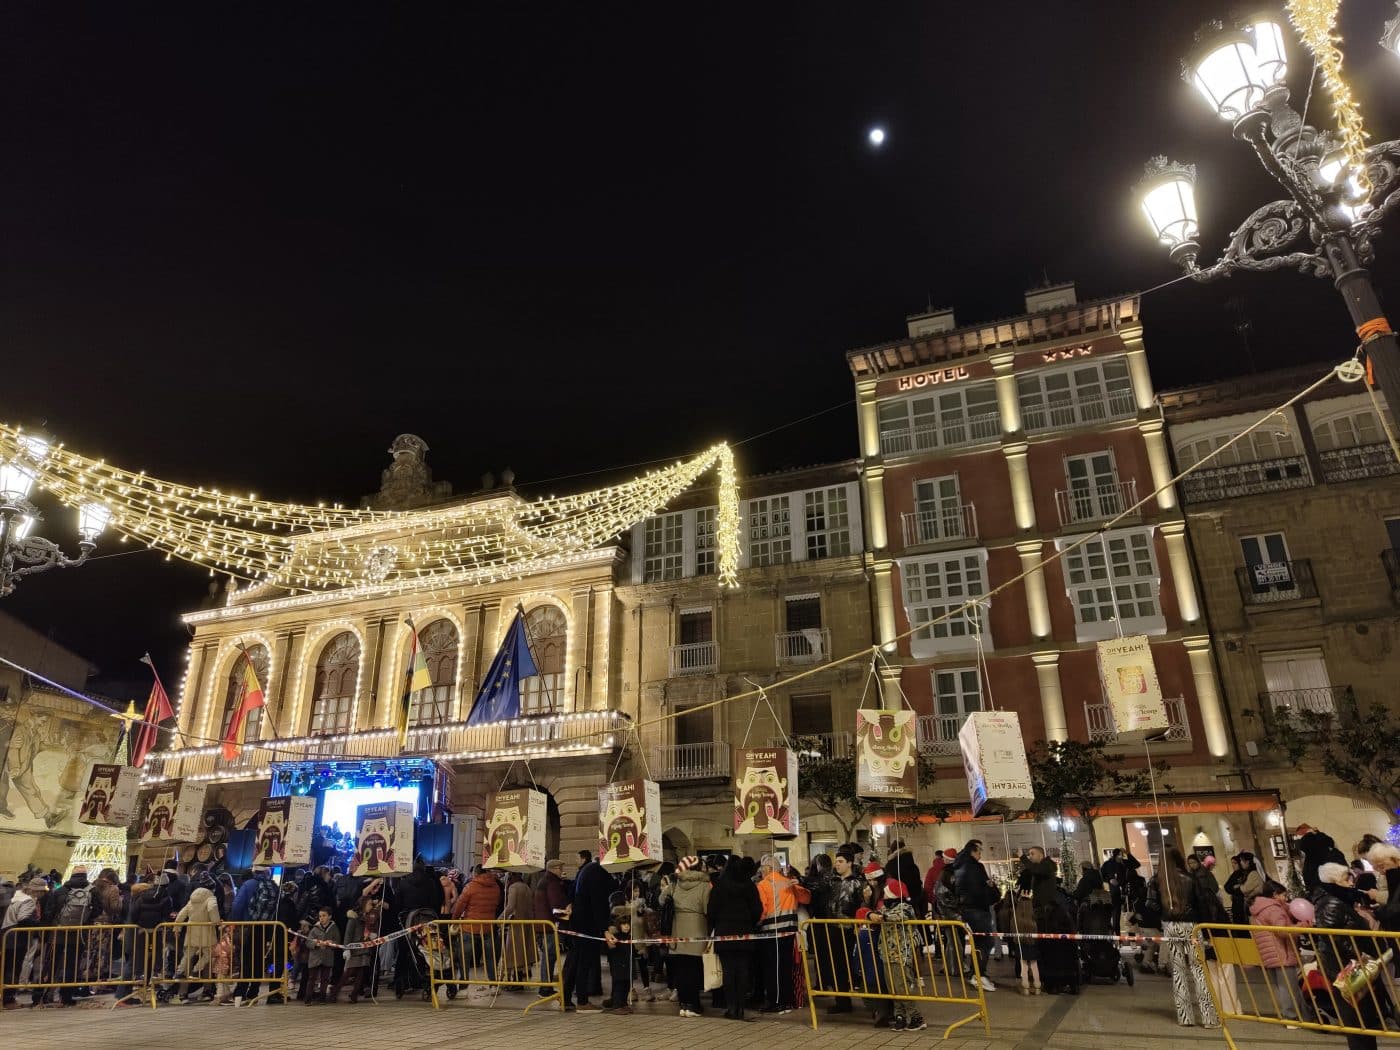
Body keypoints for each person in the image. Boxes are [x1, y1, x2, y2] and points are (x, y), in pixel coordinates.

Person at [1311, 862, 1386, 1050]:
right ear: (1334, 880)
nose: (1350, 882)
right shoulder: (1330, 903)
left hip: (1352, 965)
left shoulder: (1338, 899)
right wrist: (1358, 954)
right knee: (1356, 1016)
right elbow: (1333, 936)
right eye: (1346, 878)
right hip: (1346, 968)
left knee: (1364, 1015)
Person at [1156, 847, 1218, 1029]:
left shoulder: (1159, 881)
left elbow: (1151, 905)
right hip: (1191, 926)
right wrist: (1207, 931)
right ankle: (1208, 1018)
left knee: (1178, 972)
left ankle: (1185, 1017)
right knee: (1199, 970)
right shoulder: (1190, 879)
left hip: (1170, 927)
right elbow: (1202, 904)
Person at [707, 854, 762, 1022]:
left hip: (724, 934)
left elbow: (711, 911)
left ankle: (732, 1008)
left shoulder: (719, 886)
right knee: (743, 970)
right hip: (745, 933)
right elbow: (757, 909)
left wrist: (714, 927)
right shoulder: (749, 885)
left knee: (729, 972)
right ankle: (741, 1008)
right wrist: (750, 923)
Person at [755, 852, 809, 1014]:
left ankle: (775, 1001)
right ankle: (788, 1000)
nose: (761, 873)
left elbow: (762, 909)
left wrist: (757, 923)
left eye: (762, 870)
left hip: (771, 932)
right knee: (786, 966)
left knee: (772, 968)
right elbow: (806, 898)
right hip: (790, 932)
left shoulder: (763, 885)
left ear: (768, 868)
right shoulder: (789, 883)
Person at [1248, 880, 1303, 1026]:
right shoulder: (1274, 909)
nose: (1286, 898)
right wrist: (1302, 926)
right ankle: (1290, 1018)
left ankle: (1302, 1014)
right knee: (1289, 987)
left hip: (1269, 953)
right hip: (1281, 952)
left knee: (1283, 987)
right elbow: (1282, 931)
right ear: (1275, 895)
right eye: (1284, 895)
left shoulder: (1259, 908)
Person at [661, 857, 710, 1018]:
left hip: (677, 932)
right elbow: (707, 908)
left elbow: (661, 900)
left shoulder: (675, 884)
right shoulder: (704, 886)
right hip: (697, 931)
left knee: (681, 970)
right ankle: (694, 1005)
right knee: (694, 970)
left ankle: (683, 1004)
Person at [229, 865, 285, 1005]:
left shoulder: (248, 885)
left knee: (246, 961)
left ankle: (240, 993)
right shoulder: (272, 885)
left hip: (248, 927)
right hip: (265, 928)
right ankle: (253, 992)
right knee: (259, 961)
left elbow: (237, 906)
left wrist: (235, 922)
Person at [951, 840, 999, 991]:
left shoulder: (959, 867)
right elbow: (980, 890)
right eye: (979, 850)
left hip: (967, 909)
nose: (980, 854)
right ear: (972, 851)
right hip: (978, 908)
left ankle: (976, 973)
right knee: (985, 941)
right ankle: (978, 975)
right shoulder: (975, 867)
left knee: (979, 942)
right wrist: (992, 890)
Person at [569, 853, 614, 1012]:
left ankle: (572, 998)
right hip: (587, 926)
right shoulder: (597, 873)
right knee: (584, 963)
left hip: (581, 923)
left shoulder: (588, 870)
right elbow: (598, 903)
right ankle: (582, 1001)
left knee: (578, 962)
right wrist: (605, 929)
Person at [451, 865, 502, 998]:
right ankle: (493, 986)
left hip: (470, 927)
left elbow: (459, 906)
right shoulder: (495, 887)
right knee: (490, 958)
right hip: (488, 926)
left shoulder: (470, 887)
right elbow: (496, 904)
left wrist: (454, 920)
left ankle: (463, 988)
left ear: (476, 873)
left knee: (465, 959)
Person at [48, 865, 95, 1006]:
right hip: (79, 933)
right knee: (72, 965)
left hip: (58, 932)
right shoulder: (92, 891)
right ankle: (66, 996)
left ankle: (43, 994)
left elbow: (50, 911)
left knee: (52, 963)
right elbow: (97, 910)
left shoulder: (61, 890)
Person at [2, 878, 49, 1008]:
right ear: (36, 891)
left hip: (7, 933)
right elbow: (23, 919)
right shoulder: (28, 901)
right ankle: (8, 999)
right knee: (14, 968)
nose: (43, 895)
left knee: (6, 967)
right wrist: (40, 925)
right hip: (17, 937)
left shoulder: (17, 896)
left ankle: (5, 997)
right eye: (42, 892)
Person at [173, 883, 222, 1001]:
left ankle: (180, 973)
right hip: (206, 933)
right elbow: (212, 909)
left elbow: (182, 913)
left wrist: (177, 927)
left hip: (191, 933)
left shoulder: (192, 900)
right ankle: (197, 969)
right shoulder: (211, 898)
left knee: (187, 956)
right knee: (208, 954)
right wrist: (216, 921)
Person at [996, 875, 1041, 995]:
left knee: (1024, 966)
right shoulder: (1033, 919)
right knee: (1034, 965)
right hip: (1032, 944)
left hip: (1021, 944)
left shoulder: (1016, 919)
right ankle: (1037, 986)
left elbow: (1012, 931)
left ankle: (1025, 986)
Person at [533, 859, 569, 995]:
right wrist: (566, 914)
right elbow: (556, 903)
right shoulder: (552, 883)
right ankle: (545, 987)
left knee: (548, 956)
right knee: (549, 956)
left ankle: (545, 986)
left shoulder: (544, 881)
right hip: (549, 925)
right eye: (560, 868)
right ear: (554, 869)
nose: (561, 871)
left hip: (543, 924)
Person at [500, 872, 538, 985]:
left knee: (513, 954)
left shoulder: (513, 887)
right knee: (523, 952)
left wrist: (500, 918)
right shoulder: (526, 886)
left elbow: (510, 906)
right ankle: (520, 977)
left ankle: (515, 981)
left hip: (516, 924)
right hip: (527, 923)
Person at [303, 906, 339, 1005]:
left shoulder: (334, 928)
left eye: (324, 916)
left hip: (327, 957)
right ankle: (308, 998)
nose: (321, 918)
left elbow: (337, 942)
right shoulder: (315, 929)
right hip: (315, 957)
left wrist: (331, 943)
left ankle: (322, 998)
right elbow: (308, 942)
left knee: (325, 978)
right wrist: (316, 944)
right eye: (320, 916)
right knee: (312, 978)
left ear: (330, 917)